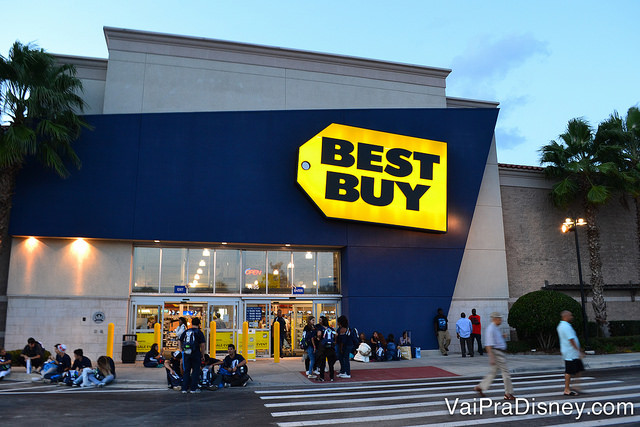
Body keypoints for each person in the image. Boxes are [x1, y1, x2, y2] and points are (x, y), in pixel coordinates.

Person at [474, 312, 515, 400]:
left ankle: (481, 386)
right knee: (505, 372)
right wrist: (491, 357)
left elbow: (495, 339)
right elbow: (488, 345)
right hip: (497, 353)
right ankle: (508, 393)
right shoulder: (491, 329)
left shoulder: (495, 328)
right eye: (499, 318)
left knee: (493, 372)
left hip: (497, 352)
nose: (501, 320)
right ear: (494, 319)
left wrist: (502, 336)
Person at [557, 310, 585, 396]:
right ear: (566, 317)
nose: (571, 317)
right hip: (570, 353)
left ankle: (576, 386)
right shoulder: (566, 327)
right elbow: (571, 340)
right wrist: (578, 350)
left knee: (579, 369)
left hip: (571, 352)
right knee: (569, 371)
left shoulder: (561, 325)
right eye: (570, 315)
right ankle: (566, 389)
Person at [179, 316, 206, 393]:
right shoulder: (199, 332)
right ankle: (193, 389)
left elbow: (180, 340)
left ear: (191, 323)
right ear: (199, 324)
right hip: (195, 353)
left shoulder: (187, 331)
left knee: (186, 370)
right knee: (195, 371)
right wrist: (202, 354)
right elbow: (202, 345)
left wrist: (181, 349)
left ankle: (184, 388)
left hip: (187, 353)